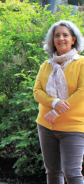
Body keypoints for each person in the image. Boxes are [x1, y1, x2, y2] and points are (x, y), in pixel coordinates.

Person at [33, 20, 84, 184]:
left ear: (73, 39)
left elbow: (81, 92)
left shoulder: (81, 63)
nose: (61, 38)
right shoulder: (46, 66)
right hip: (46, 125)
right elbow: (37, 92)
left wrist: (57, 111)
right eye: (57, 35)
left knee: (72, 173)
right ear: (52, 40)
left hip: (73, 126)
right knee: (53, 173)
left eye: (65, 35)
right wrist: (54, 102)